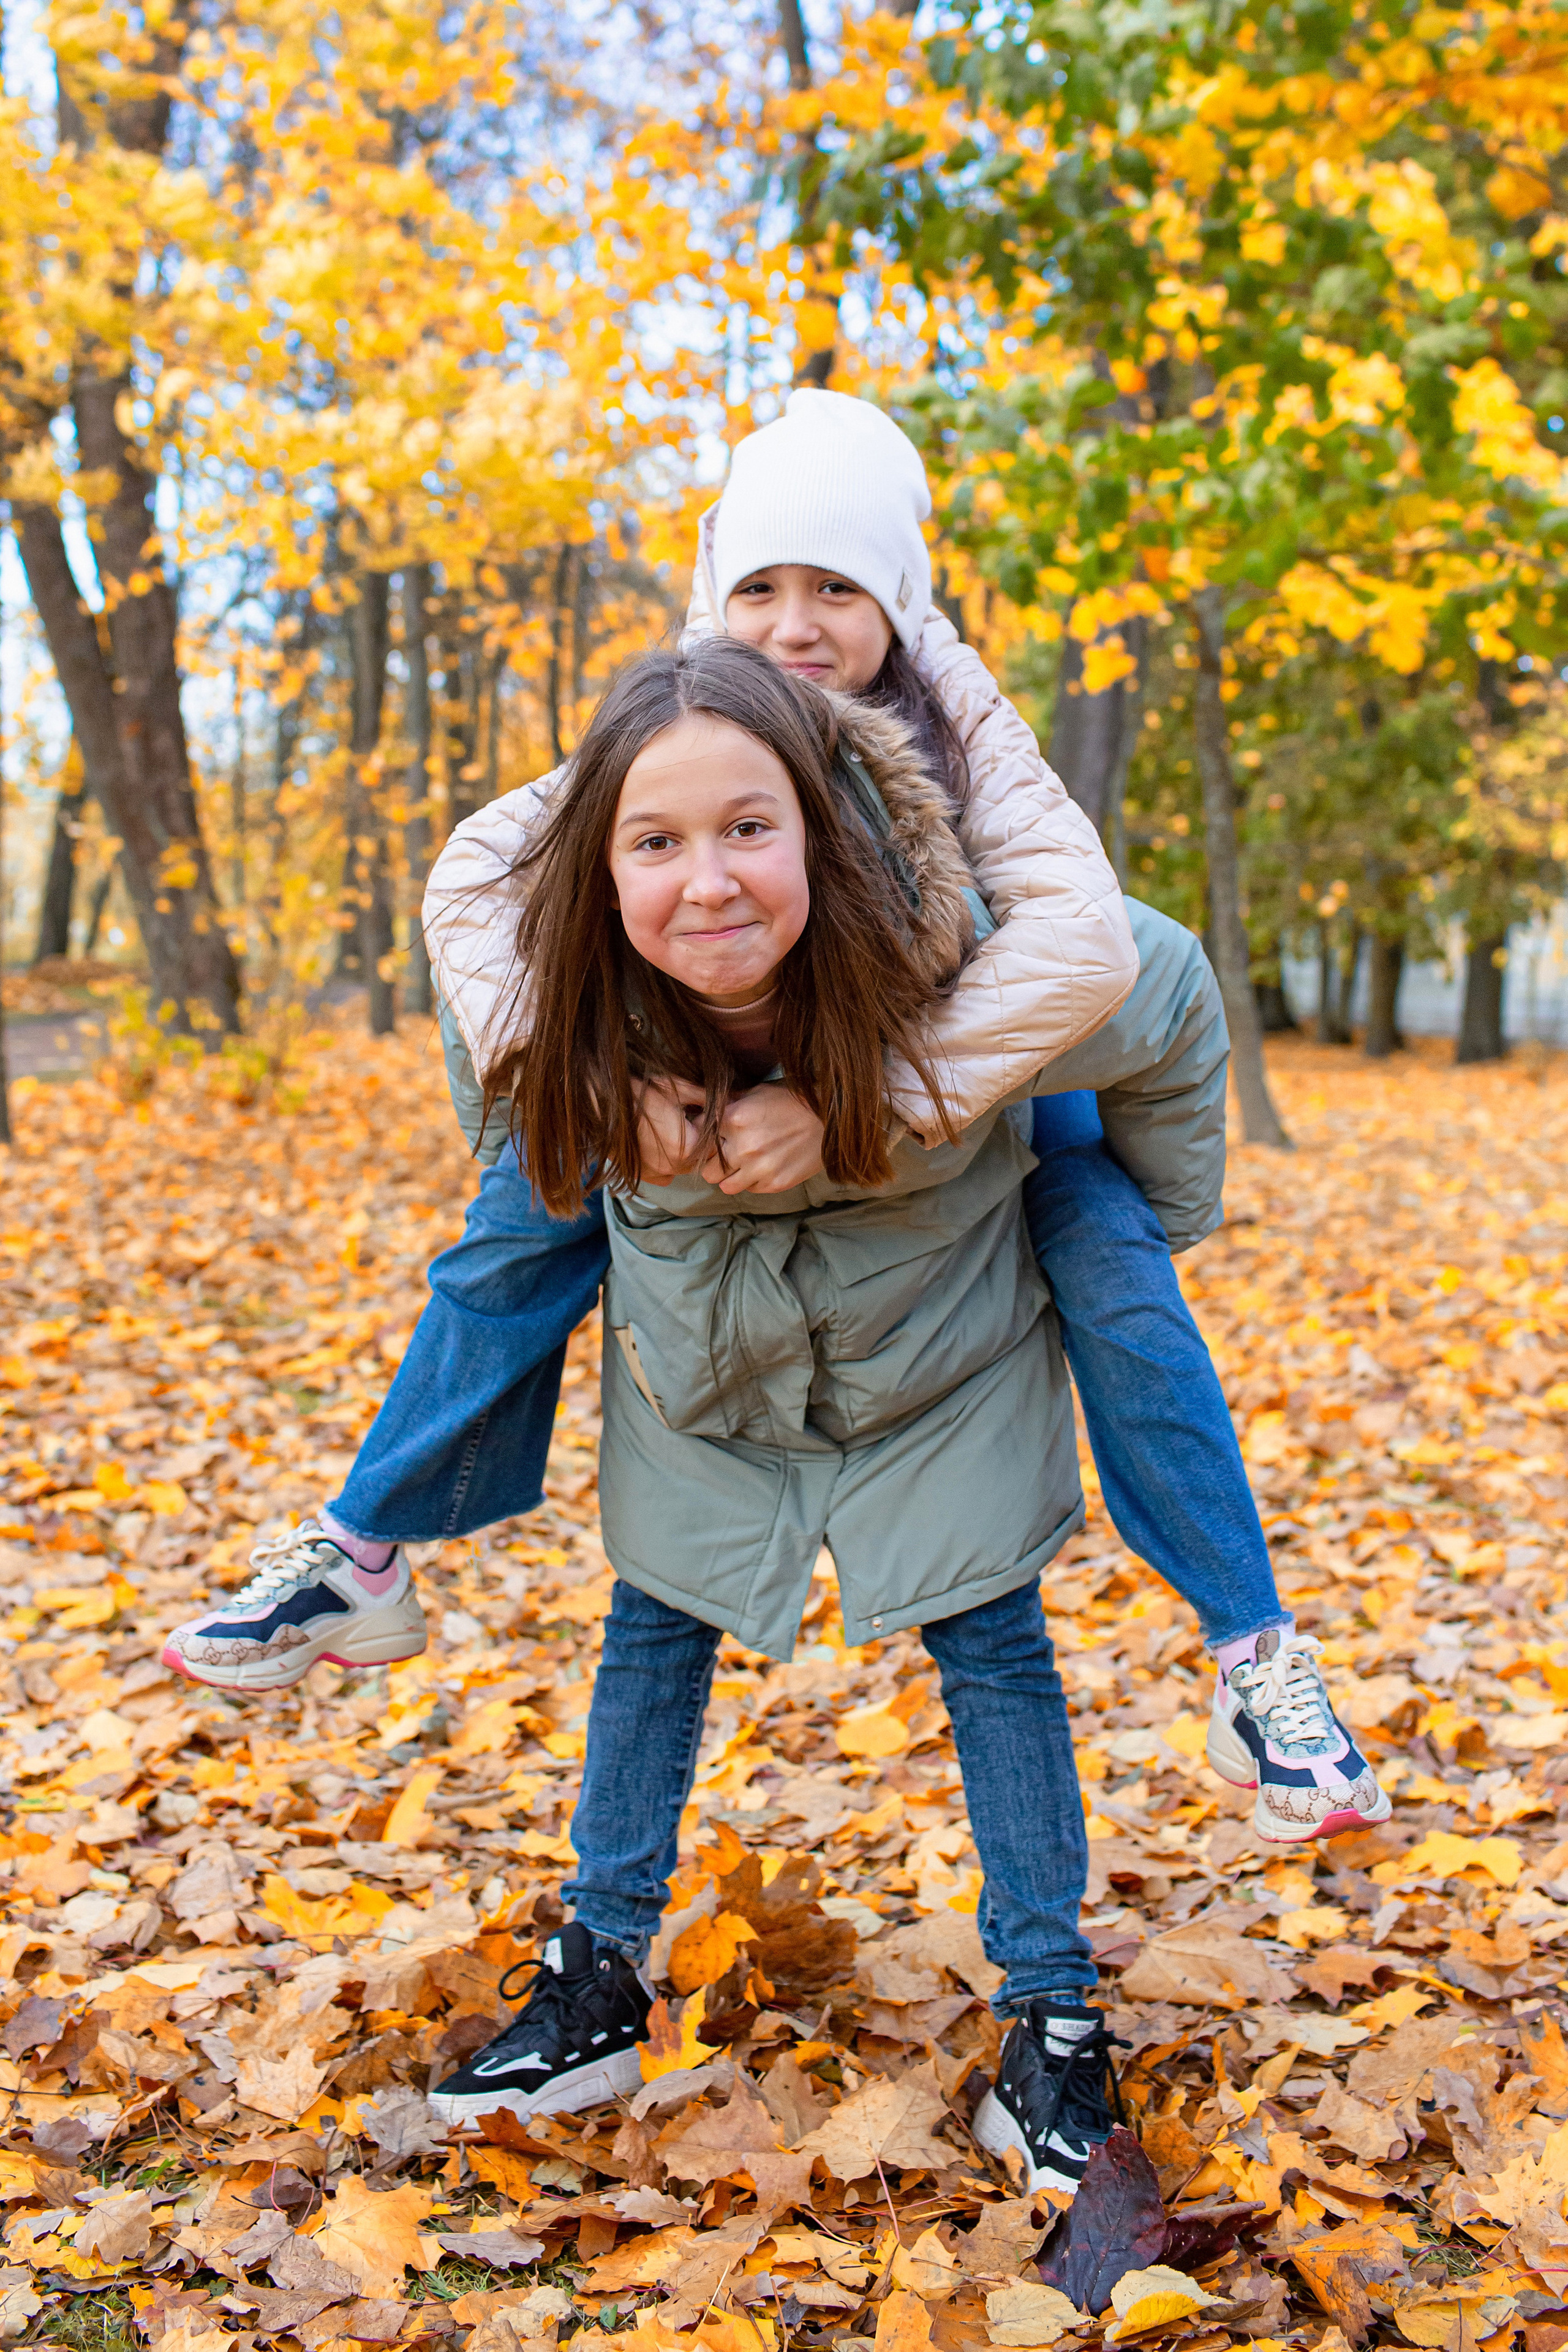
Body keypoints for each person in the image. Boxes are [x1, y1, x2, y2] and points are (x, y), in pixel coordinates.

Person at [164, 392, 1388, 1859]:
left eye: (837, 589)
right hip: (718, 1107)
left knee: (1108, 1254)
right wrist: (583, 1095)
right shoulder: (694, 717)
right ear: (710, 595)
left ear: (900, 604)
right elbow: (481, 877)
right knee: (525, 1210)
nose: (795, 624)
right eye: (760, 586)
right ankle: (366, 1543)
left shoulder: (958, 719)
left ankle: (1253, 1650)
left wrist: (868, 1099)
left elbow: (1102, 951)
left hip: (985, 1073)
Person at [413, 636, 1141, 2187]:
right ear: (599, 872)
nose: (710, 881)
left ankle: (1054, 2018)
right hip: (705, 1363)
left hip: (939, 1346)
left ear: (817, 825)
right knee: (653, 1626)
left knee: (993, 1640)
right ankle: (596, 1969)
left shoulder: (953, 956)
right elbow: (499, 1067)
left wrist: (1120, 1194)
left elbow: (1167, 997)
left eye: (750, 830)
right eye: (655, 844)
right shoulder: (564, 988)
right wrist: (599, 1088)